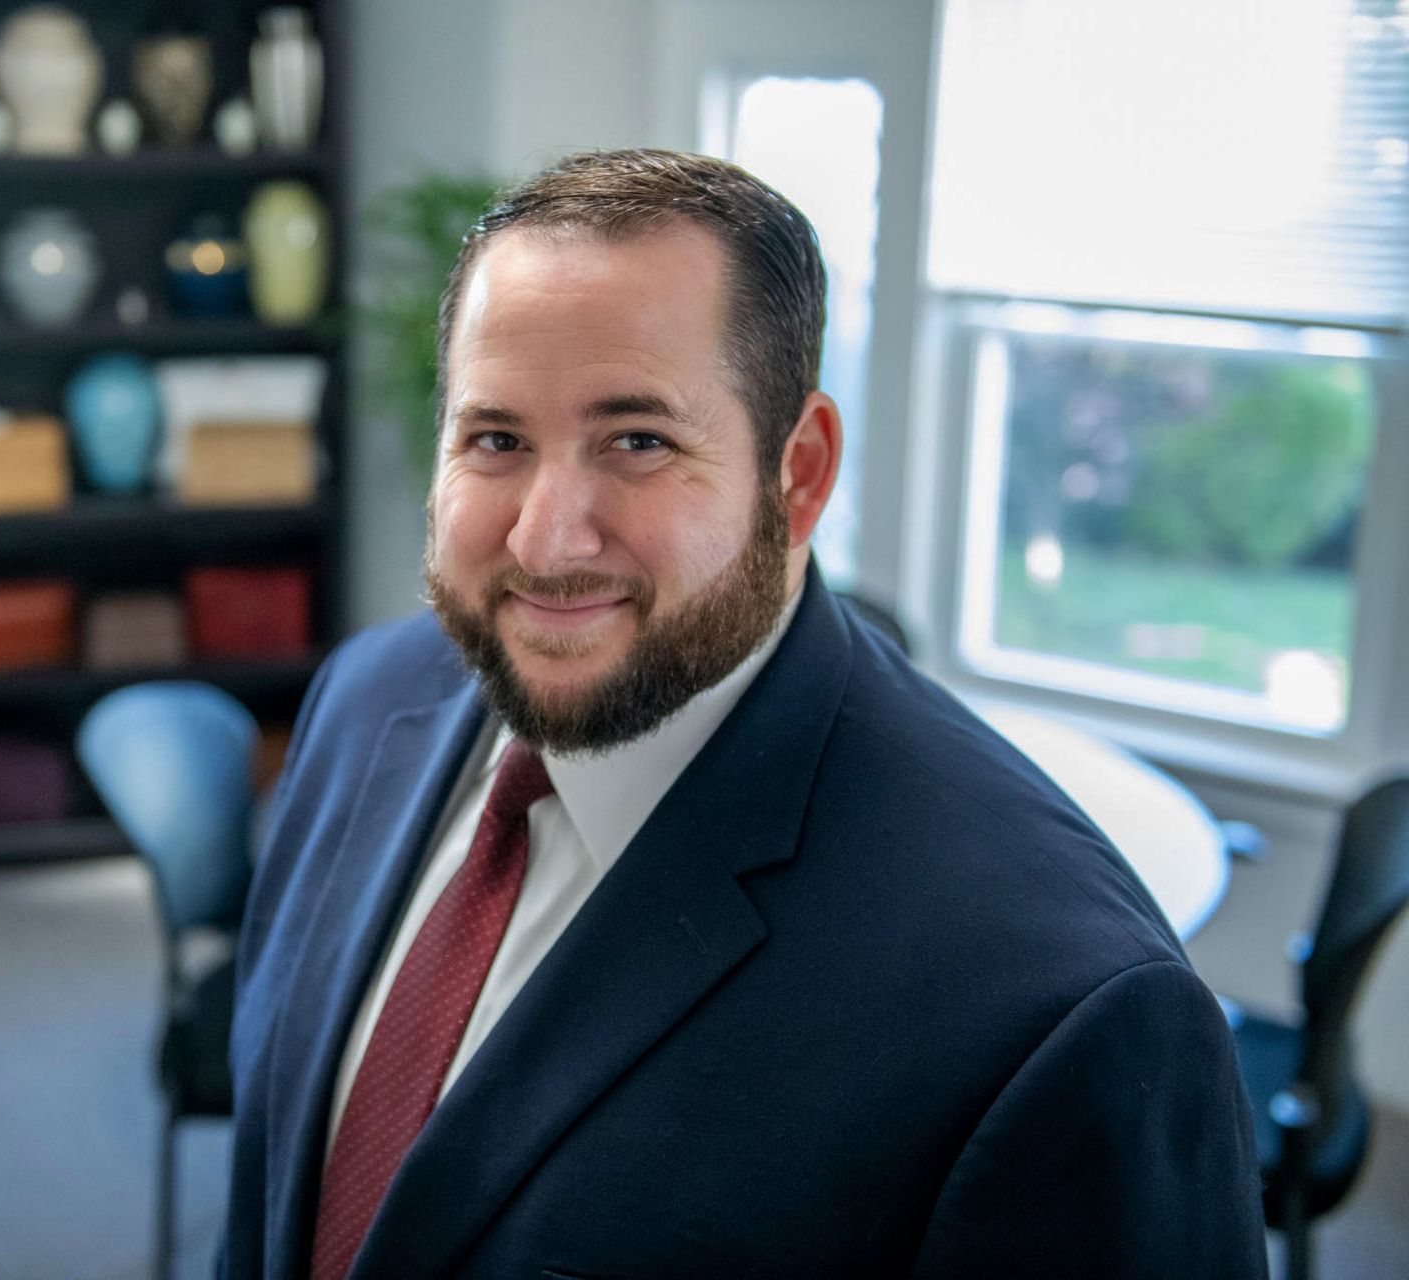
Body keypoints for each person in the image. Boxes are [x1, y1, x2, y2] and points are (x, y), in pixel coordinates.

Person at [222, 149, 1265, 1278]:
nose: (544, 537)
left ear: (799, 473)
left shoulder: (1065, 1011)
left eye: (639, 441)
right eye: (497, 439)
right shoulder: (362, 703)